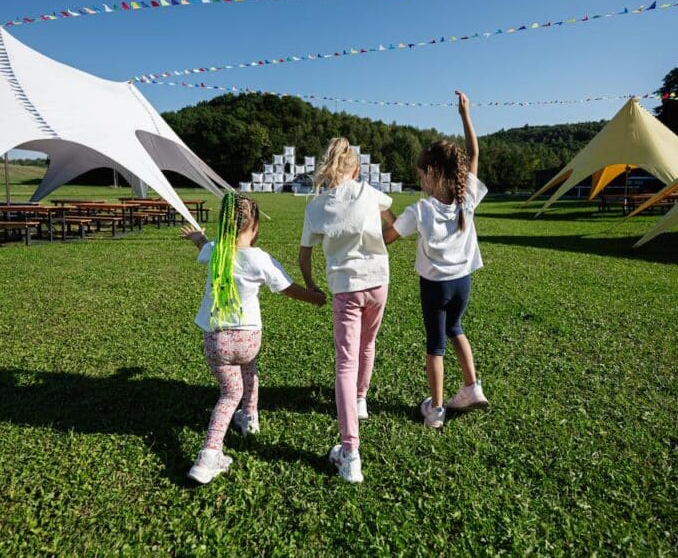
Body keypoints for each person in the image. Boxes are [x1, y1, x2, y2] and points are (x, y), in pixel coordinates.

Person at [182, 192, 325, 484]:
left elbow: (203, 245)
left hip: (217, 341)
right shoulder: (260, 259)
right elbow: (287, 288)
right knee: (248, 371)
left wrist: (198, 237)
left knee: (227, 392)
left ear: (224, 225)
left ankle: (226, 437)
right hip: (248, 340)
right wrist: (314, 298)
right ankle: (232, 432)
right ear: (255, 226)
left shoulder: (215, 250)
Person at [383, 91, 489, 428]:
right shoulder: (466, 196)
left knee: (435, 345)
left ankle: (436, 409)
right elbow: (473, 153)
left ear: (432, 172)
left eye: (419, 175)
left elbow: (388, 239)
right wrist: (465, 114)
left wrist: (385, 214)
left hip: (435, 287)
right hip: (463, 282)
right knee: (456, 328)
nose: (418, 181)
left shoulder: (419, 210)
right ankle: (472, 387)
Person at [299, 138, 394, 483]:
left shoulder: (316, 206)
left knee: (345, 361)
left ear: (327, 170)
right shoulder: (368, 192)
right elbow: (391, 219)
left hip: (345, 288)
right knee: (368, 345)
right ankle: (361, 399)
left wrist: (311, 286)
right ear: (355, 168)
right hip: (378, 282)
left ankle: (350, 451)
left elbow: (304, 255)